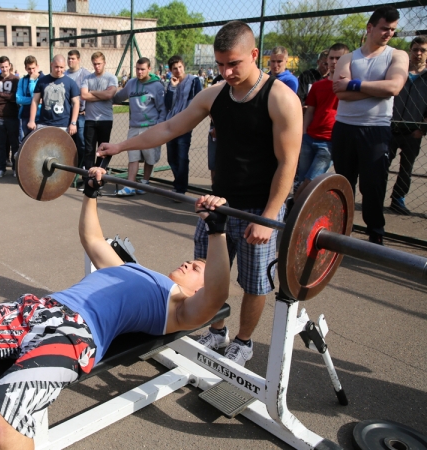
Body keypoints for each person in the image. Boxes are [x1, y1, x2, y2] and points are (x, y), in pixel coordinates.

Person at [0, 167, 232, 450]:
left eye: (198, 266)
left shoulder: (178, 307)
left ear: (201, 288)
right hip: (36, 308)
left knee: (5, 412)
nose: (190, 261)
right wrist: (91, 193)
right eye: (193, 259)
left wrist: (217, 232)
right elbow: (92, 240)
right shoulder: (133, 269)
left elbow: (217, 294)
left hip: (73, 334)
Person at [98, 21, 302, 366]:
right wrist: (120, 145)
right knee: (207, 274)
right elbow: (167, 127)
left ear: (255, 55)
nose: (226, 71)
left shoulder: (280, 98)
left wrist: (268, 217)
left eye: (234, 63)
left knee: (254, 284)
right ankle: (217, 331)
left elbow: (288, 163)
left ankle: (244, 341)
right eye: (221, 64)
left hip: (258, 209)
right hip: (217, 206)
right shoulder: (215, 94)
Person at [331, 5, 409, 244]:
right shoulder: (348, 57)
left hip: (376, 130)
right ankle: (341, 231)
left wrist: (354, 84)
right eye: (384, 28)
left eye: (393, 30)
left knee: (373, 185)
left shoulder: (397, 55)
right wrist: (377, 88)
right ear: (370, 27)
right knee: (344, 183)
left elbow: (393, 87)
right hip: (344, 127)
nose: (389, 33)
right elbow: (340, 93)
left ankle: (376, 234)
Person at [293, 43, 350, 199]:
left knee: (311, 180)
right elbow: (310, 110)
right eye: (331, 58)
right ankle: (297, 210)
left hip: (329, 141)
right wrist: (303, 133)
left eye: (338, 58)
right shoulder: (318, 86)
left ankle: (294, 208)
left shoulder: (348, 86)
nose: (333, 61)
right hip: (310, 137)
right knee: (301, 177)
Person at [111, 57, 167, 197]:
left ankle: (145, 181)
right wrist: (105, 96)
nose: (139, 72)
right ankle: (130, 184)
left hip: (150, 127)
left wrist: (158, 127)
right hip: (134, 127)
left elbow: (162, 109)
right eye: (137, 69)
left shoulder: (157, 86)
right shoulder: (131, 83)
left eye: (142, 69)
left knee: (149, 157)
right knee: (133, 156)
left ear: (149, 69)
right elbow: (118, 97)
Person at [386, 36, 427, 215]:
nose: (418, 53)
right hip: (390, 128)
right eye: (415, 49)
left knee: (406, 168)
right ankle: (376, 196)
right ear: (410, 51)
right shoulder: (399, 71)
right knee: (381, 164)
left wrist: (422, 129)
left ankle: (398, 199)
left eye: (423, 50)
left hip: (413, 131)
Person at [165, 55, 203, 195]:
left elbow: (198, 99)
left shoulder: (193, 81)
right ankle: (178, 182)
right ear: (170, 70)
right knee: (171, 157)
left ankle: (180, 188)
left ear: (183, 66)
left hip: (185, 124)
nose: (178, 71)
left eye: (180, 67)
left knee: (182, 157)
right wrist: (173, 88)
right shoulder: (171, 83)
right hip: (171, 123)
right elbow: (168, 104)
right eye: (174, 68)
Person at [80, 51, 118, 170]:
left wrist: (92, 92)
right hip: (90, 119)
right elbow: (84, 96)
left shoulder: (111, 78)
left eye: (99, 64)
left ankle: (99, 174)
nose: (97, 66)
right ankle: (89, 177)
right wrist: (102, 94)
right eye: (95, 64)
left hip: (105, 119)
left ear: (104, 63)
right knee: (89, 149)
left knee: (103, 149)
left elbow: (109, 95)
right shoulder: (87, 78)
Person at [28, 55, 80, 137]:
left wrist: (73, 123)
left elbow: (76, 103)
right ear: (51, 64)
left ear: (64, 67)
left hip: (63, 125)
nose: (59, 70)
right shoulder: (42, 81)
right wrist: (31, 120)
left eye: (61, 67)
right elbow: (35, 100)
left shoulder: (71, 83)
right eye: (56, 67)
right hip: (44, 124)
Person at [0, 56, 19, 178]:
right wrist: (7, 97)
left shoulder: (16, 80)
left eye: (6, 66)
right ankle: (1, 168)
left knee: (14, 144)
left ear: (9, 66)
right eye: (2, 67)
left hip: (12, 117)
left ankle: (15, 168)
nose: (4, 69)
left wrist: (0, 94)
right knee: (0, 145)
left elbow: (15, 97)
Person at [66, 50, 91, 164]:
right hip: (67, 113)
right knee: (68, 140)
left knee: (81, 140)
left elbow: (91, 93)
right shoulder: (64, 74)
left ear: (78, 59)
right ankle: (71, 165)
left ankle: (83, 165)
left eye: (73, 58)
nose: (70, 61)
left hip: (81, 114)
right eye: (69, 58)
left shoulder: (86, 75)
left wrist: (87, 108)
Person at [16, 55, 42, 143]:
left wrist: (31, 81)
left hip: (40, 116)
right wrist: (36, 100)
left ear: (37, 66)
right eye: (29, 69)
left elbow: (33, 94)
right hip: (25, 115)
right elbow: (18, 99)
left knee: (39, 141)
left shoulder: (43, 79)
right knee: (28, 142)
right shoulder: (22, 80)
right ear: (25, 68)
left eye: (33, 68)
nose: (31, 71)